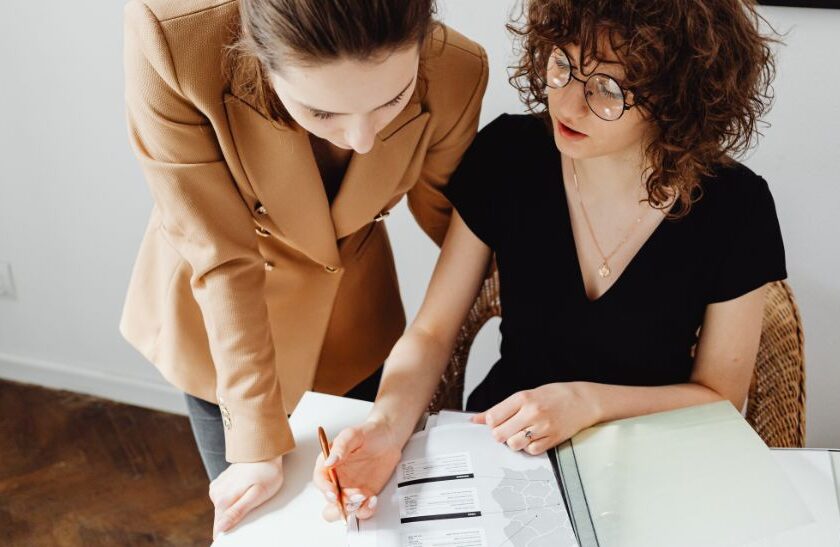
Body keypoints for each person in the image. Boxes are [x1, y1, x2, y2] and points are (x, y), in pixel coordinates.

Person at [313, 0, 784, 521]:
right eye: (562, 64)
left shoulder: (737, 207)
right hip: (501, 446)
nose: (568, 104)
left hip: (649, 460)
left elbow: (719, 396)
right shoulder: (510, 154)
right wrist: (384, 426)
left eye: (607, 90)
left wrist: (587, 403)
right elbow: (431, 333)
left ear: (677, 101)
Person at [121, 0, 488, 537]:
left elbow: (455, 226)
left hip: (353, 319)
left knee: (359, 520)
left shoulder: (457, 71)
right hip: (222, 330)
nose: (361, 139)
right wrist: (254, 443)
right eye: (322, 113)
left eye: (392, 99)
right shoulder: (175, 41)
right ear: (259, 58)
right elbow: (219, 252)